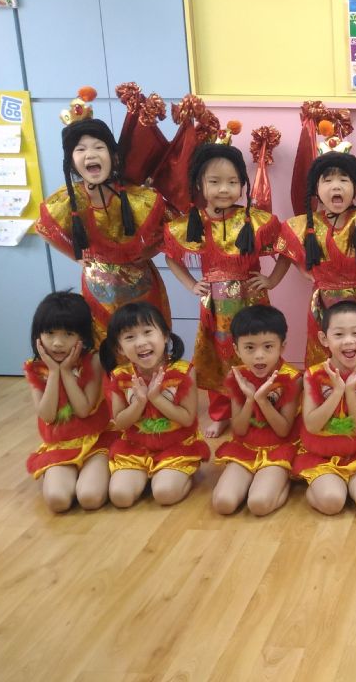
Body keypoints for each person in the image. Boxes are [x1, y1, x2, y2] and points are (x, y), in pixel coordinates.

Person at [164, 142, 291, 438]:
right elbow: (171, 257)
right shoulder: (193, 222)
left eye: (233, 182)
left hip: (253, 303)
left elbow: (287, 250)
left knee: (258, 353)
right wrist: (191, 284)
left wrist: (271, 280)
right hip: (215, 308)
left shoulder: (257, 220)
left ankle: (262, 407)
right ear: (199, 183)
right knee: (218, 358)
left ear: (243, 184)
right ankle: (221, 413)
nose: (224, 189)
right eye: (215, 181)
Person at [35, 87, 171, 345]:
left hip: (142, 286)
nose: (90, 154)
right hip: (99, 288)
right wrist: (76, 255)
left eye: (99, 147)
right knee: (105, 347)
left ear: (113, 156)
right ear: (71, 161)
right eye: (80, 149)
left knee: (148, 344)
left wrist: (152, 250)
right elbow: (45, 229)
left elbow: (171, 231)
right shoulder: (69, 199)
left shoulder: (138, 196)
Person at [282, 127, 356, 369]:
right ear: (316, 189)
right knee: (323, 355)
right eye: (327, 180)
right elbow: (286, 250)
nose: (336, 186)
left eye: (344, 179)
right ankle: (323, 392)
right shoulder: (303, 226)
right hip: (323, 303)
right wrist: (302, 269)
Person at [100, 302, 209, 507]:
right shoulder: (120, 375)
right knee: (120, 497)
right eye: (130, 337)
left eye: (148, 332)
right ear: (119, 348)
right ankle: (149, 475)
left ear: (165, 336)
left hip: (176, 446)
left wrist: (156, 398)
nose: (141, 342)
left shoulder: (183, 371)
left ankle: (179, 474)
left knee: (164, 494)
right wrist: (140, 402)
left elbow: (187, 419)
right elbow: (120, 422)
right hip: (135, 446)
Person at [24, 291, 112, 512]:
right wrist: (54, 373)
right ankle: (60, 474)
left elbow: (83, 410)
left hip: (96, 441)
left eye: (68, 334)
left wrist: (66, 372)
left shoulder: (93, 360)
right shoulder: (35, 368)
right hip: (59, 445)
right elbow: (47, 415)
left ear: (82, 336)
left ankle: (95, 473)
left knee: (90, 498)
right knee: (58, 501)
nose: (57, 343)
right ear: (38, 334)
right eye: (50, 333)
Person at [294, 301, 356, 515]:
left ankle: (347, 484)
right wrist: (337, 392)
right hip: (320, 454)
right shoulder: (313, 375)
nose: (348, 341)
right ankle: (323, 486)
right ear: (324, 338)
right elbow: (312, 425)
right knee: (332, 503)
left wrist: (351, 392)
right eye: (339, 334)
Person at [211, 305, 301, 516]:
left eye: (268, 347)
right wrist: (250, 399)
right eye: (249, 348)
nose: (259, 356)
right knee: (223, 503)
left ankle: (285, 480)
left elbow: (283, 430)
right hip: (246, 446)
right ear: (236, 349)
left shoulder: (292, 378)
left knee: (259, 504)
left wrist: (262, 400)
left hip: (279, 447)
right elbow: (239, 429)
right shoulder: (236, 377)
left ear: (282, 346)